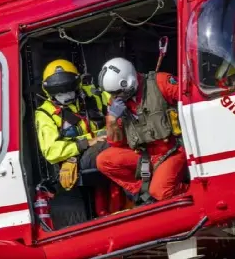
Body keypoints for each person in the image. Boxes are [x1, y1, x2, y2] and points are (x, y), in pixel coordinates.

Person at [95, 57, 189, 204]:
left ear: (130, 82)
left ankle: (192, 191)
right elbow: (117, 144)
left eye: (118, 92)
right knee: (104, 160)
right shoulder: (116, 102)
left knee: (162, 192)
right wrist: (112, 120)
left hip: (173, 149)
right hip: (145, 154)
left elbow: (191, 97)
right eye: (112, 93)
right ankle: (143, 194)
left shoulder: (161, 82)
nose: (115, 97)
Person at [35, 59, 111, 191]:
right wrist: (85, 142)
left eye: (68, 89)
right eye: (59, 92)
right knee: (112, 144)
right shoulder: (45, 113)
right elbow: (51, 150)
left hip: (104, 140)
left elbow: (113, 100)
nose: (65, 95)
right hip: (78, 156)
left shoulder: (91, 94)